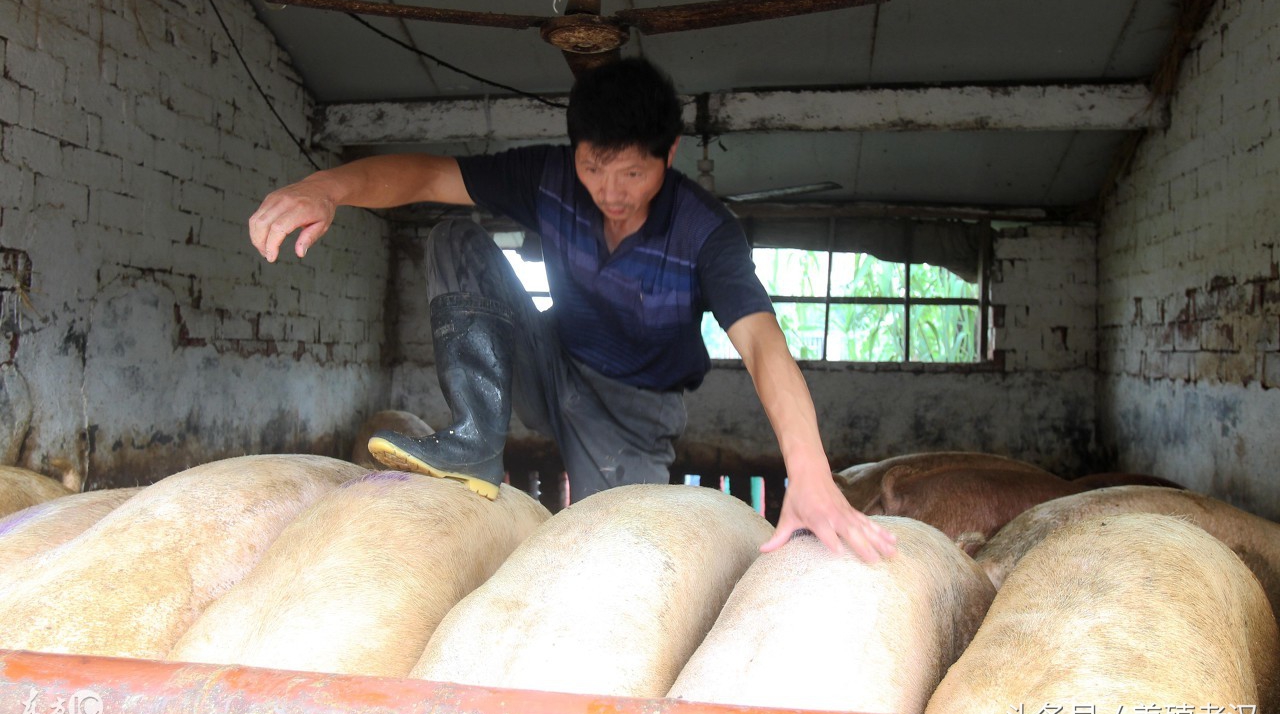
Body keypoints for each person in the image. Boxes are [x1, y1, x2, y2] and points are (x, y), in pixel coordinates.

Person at [248, 58, 896, 562]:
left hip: (632, 417)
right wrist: (327, 187)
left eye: (634, 175)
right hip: (552, 361)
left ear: (669, 156)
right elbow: (424, 176)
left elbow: (761, 343)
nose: (611, 193)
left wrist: (808, 472)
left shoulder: (705, 232)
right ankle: (475, 437)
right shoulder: (549, 179)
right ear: (574, 150)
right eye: (594, 168)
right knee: (454, 237)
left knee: (610, 553)